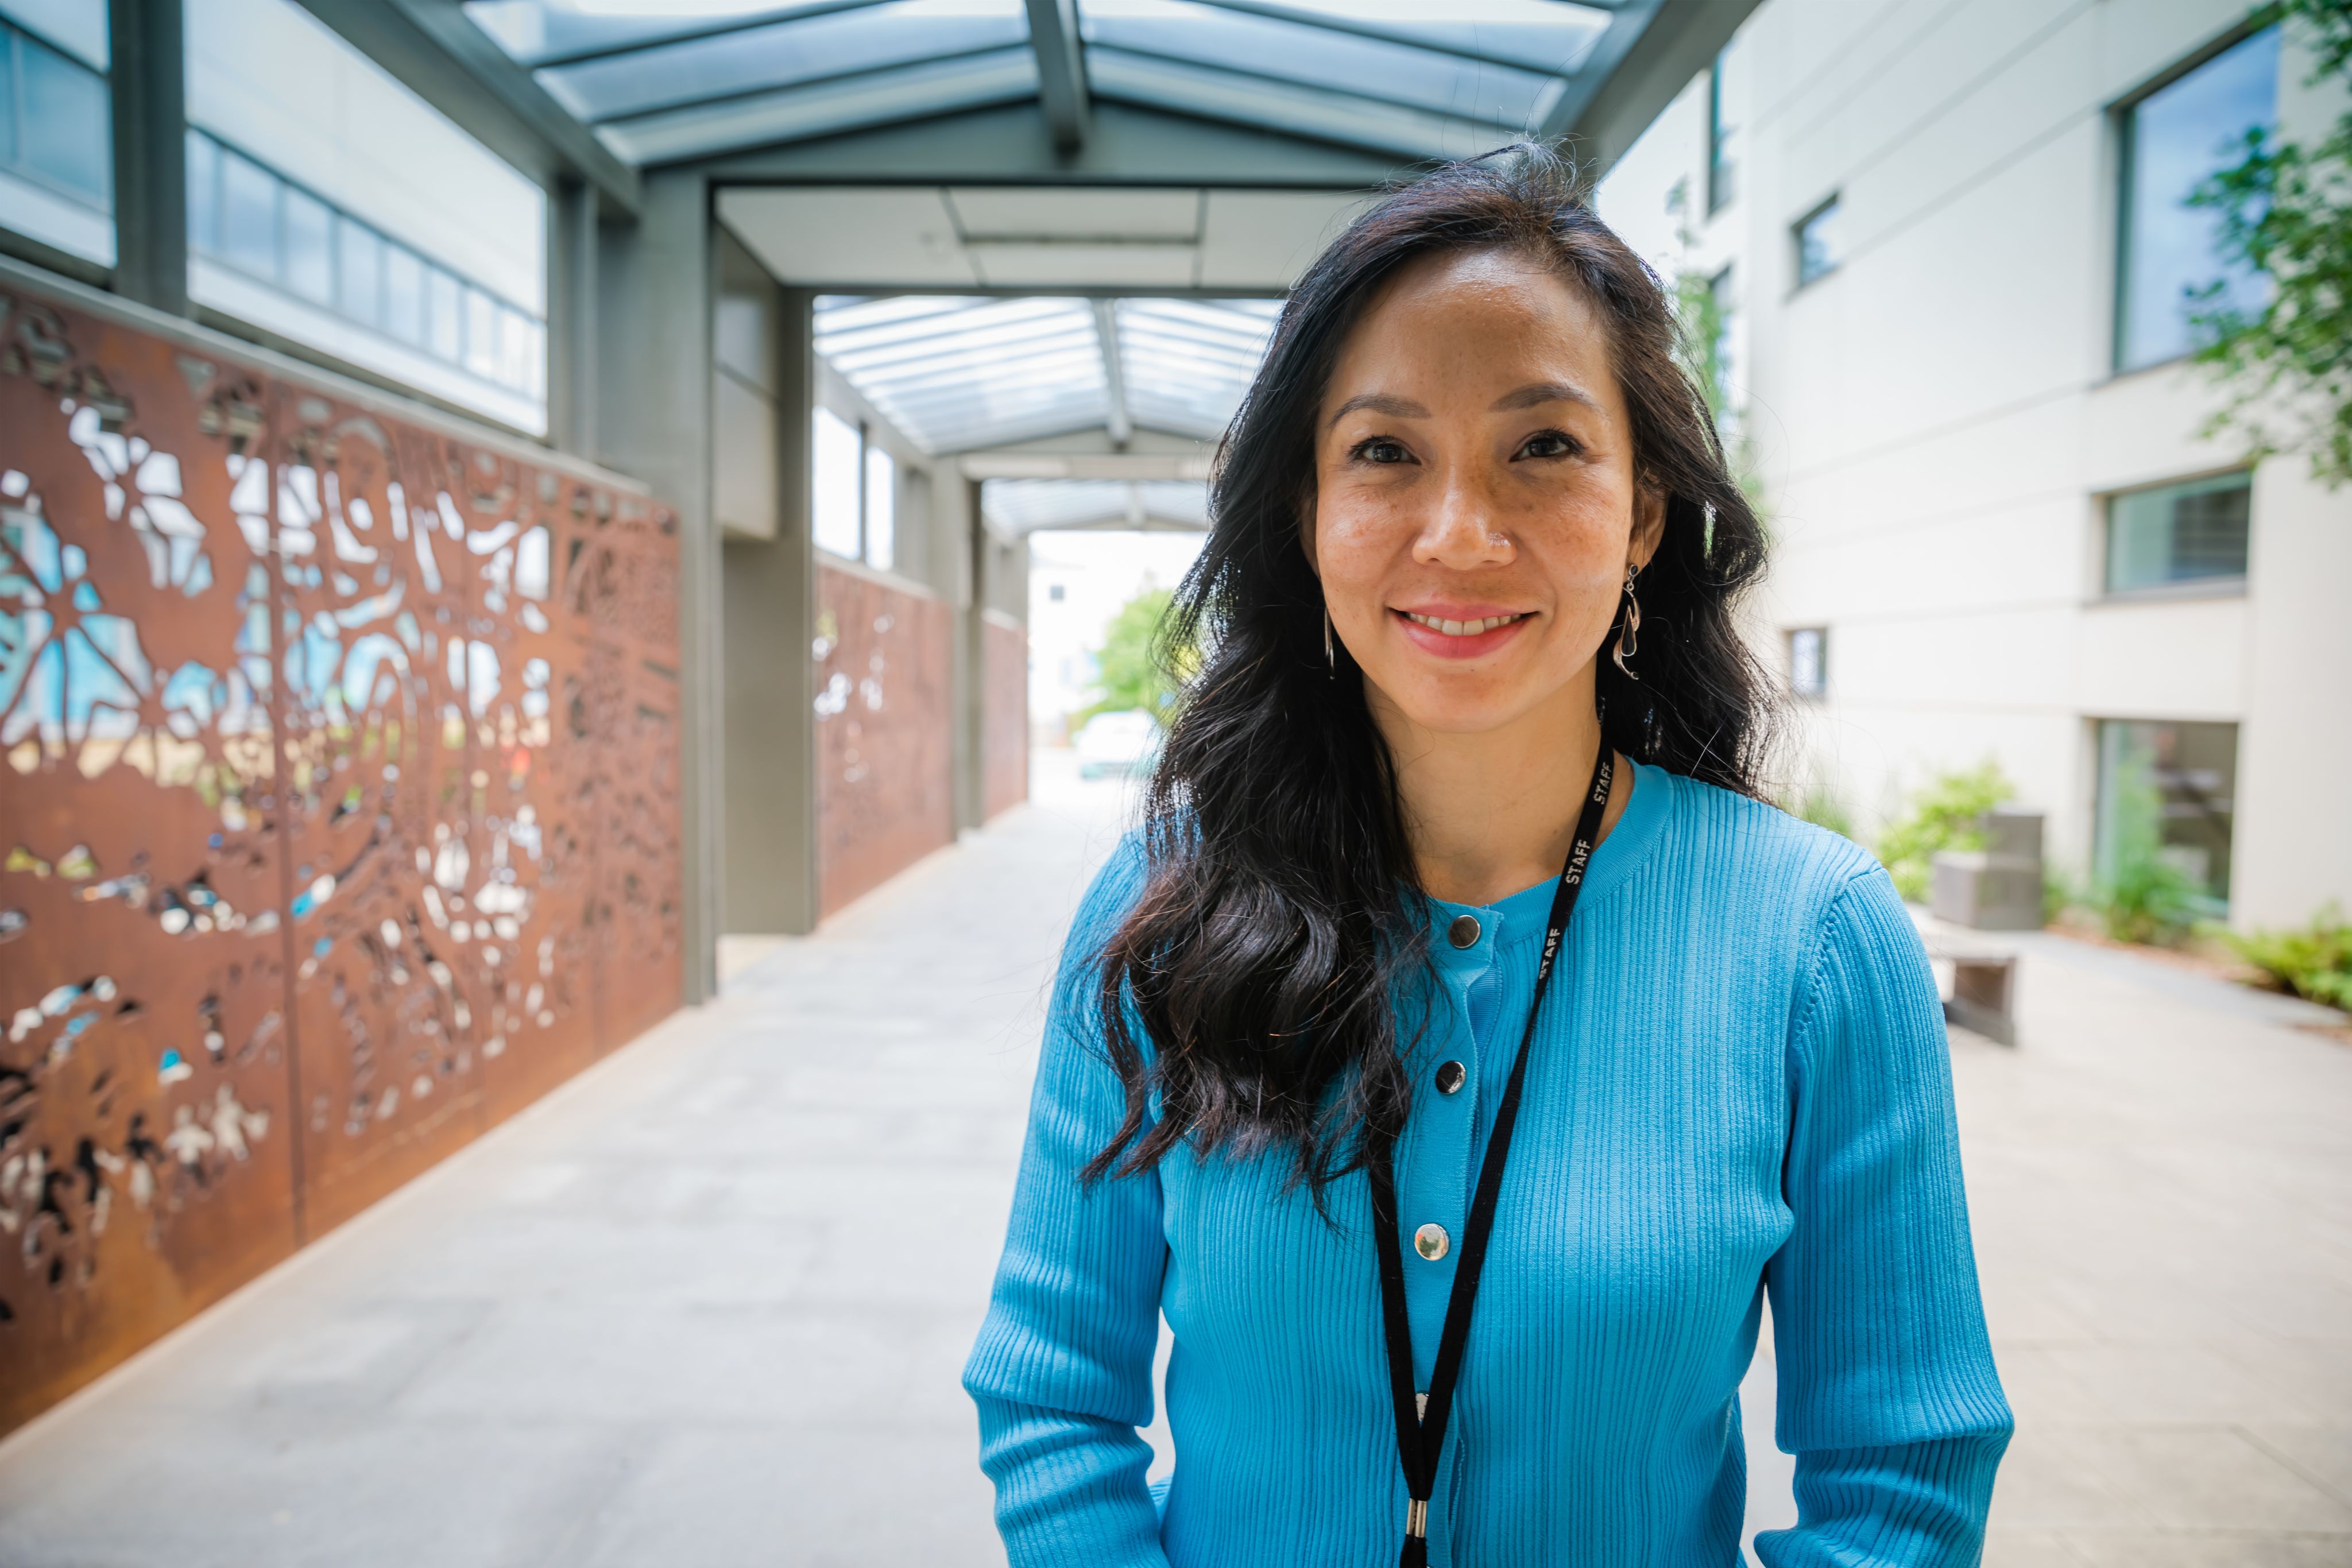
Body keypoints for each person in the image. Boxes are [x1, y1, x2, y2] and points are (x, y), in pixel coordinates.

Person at [964, 144, 2011, 1568]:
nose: (1458, 536)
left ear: (1643, 512)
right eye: (1384, 452)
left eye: (1543, 446)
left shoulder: (1813, 941)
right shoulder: (1164, 900)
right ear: (1306, 514)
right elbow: (1049, 1402)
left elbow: (1901, 1474)